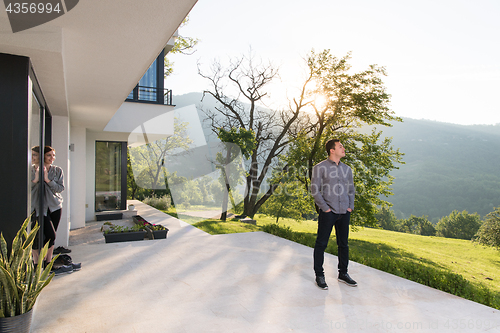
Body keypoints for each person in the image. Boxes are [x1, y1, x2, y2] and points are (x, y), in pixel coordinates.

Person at [311, 139, 357, 289]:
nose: (343, 148)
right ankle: (319, 275)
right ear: (332, 150)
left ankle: (343, 273)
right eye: (340, 146)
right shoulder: (320, 168)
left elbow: (351, 190)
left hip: (345, 212)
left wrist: (350, 206)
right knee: (321, 244)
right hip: (328, 212)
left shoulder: (347, 169)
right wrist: (325, 208)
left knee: (343, 244)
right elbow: (315, 190)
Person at [31, 146, 74, 275]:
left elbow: (60, 188)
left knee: (52, 237)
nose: (52, 158)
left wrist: (47, 180)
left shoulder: (57, 170)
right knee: (40, 236)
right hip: (38, 208)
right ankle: (37, 263)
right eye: (49, 155)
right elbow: (27, 187)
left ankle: (48, 264)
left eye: (53, 155)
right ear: (42, 156)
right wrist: (36, 179)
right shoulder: (31, 170)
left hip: (55, 207)